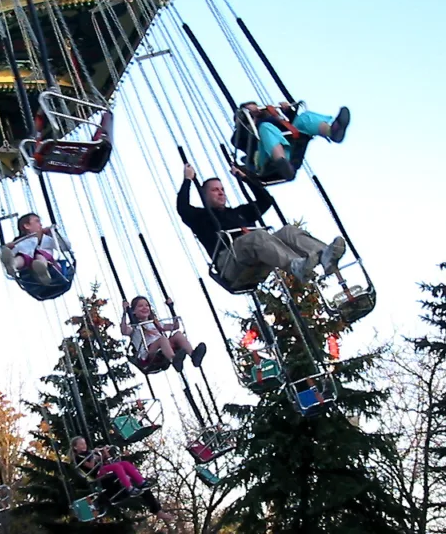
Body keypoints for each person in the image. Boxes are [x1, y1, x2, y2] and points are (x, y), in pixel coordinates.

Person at [176, 163, 346, 288]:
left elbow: (266, 201)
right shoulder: (200, 217)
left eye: (222, 189)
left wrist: (245, 178)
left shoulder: (239, 213)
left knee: (288, 231)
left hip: (256, 252)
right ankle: (296, 266)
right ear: (204, 196)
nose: (221, 192)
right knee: (257, 236)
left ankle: (324, 255)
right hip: (229, 262)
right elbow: (182, 208)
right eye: (214, 190)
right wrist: (188, 180)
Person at [231, 101, 350, 180]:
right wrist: (247, 119)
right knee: (266, 128)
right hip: (267, 159)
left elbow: (290, 125)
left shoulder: (271, 120)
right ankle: (281, 162)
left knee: (305, 117)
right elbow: (241, 138)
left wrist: (287, 110)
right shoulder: (242, 135)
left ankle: (333, 130)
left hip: (291, 147)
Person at [70, 437, 174, 524]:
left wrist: (104, 453)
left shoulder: (89, 452)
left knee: (125, 464)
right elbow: (91, 465)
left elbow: (103, 460)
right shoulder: (79, 457)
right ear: (75, 447)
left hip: (104, 470)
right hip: (98, 474)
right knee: (117, 467)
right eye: (81, 444)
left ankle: (141, 482)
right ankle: (129, 488)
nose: (84, 446)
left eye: (84, 443)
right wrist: (94, 455)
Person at [120, 296, 206, 373]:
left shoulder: (156, 323)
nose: (145, 308)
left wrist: (171, 308)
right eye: (140, 306)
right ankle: (174, 359)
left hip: (163, 347)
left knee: (178, 334)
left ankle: (193, 355)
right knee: (162, 339)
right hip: (149, 354)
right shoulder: (134, 328)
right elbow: (124, 331)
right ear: (134, 311)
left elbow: (175, 326)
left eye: (147, 305)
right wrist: (125, 313)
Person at [0, 213, 70, 285]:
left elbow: (66, 246)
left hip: (52, 269)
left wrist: (53, 234)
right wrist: (8, 249)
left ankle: (42, 271)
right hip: (28, 272)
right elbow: (10, 255)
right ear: (27, 226)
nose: (41, 224)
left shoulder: (47, 239)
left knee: (39, 255)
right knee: (23, 257)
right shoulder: (21, 243)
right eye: (37, 221)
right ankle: (13, 264)